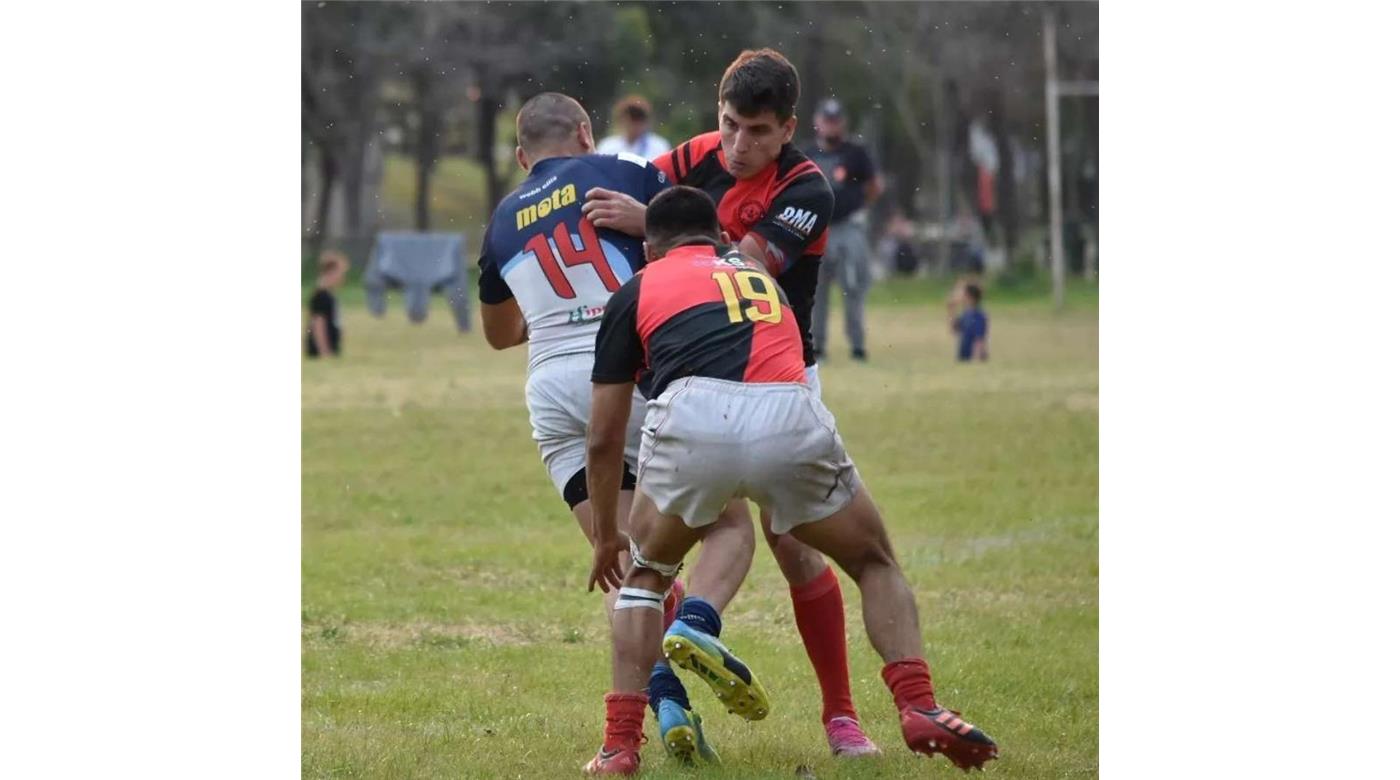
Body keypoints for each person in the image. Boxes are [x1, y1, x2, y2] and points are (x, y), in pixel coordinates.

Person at [581, 186, 999, 775]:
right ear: (721, 237)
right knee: (874, 560)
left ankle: (620, 746)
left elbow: (602, 436)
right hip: (790, 411)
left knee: (646, 582)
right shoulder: (761, 278)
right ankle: (917, 703)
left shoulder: (638, 287)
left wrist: (606, 535)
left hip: (695, 415)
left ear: (651, 247)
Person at [583, 48, 882, 758]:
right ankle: (674, 683)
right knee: (672, 545)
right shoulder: (696, 156)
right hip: (698, 381)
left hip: (783, 373)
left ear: (788, 129)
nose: (736, 145)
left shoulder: (808, 186)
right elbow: (631, 195)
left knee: (793, 548)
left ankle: (842, 720)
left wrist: (647, 219)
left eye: (754, 131)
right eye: (727, 125)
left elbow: (736, 267)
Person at [476, 92, 755, 764]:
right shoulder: (626, 174)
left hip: (551, 391)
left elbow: (499, 333)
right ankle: (695, 627)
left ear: (521, 157)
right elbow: (695, 251)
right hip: (629, 370)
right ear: (585, 132)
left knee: (628, 566)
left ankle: (636, 728)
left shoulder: (503, 217)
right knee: (728, 526)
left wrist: (556, 315)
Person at [804, 98, 883, 362]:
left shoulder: (855, 153)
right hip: (819, 228)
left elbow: (873, 185)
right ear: (818, 122)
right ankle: (817, 346)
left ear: (843, 124)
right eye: (827, 121)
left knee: (852, 285)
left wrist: (859, 208)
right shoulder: (808, 154)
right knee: (816, 289)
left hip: (848, 226)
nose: (831, 127)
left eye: (835, 122)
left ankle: (857, 345)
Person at [595, 95, 671, 160]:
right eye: (631, 118)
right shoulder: (607, 146)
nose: (635, 123)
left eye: (639, 118)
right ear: (622, 120)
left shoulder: (659, 146)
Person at [306, 250, 347, 358]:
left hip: (331, 350)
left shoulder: (330, 294)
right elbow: (318, 324)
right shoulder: (321, 296)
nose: (343, 277)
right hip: (321, 353)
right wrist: (324, 351)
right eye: (341, 273)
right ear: (330, 272)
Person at [953, 283, 990, 362]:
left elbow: (979, 339)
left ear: (970, 297)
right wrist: (952, 310)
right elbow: (955, 329)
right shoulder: (966, 313)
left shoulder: (978, 315)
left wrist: (977, 359)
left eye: (963, 294)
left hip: (972, 358)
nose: (960, 297)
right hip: (963, 356)